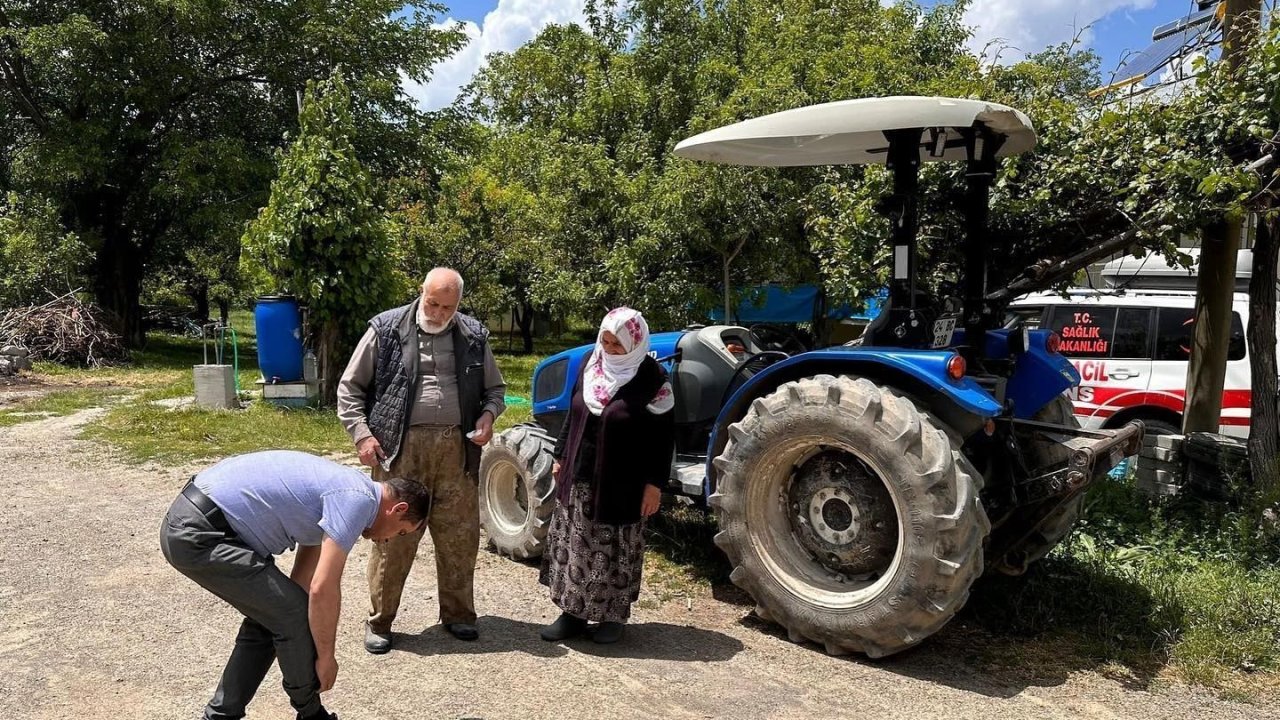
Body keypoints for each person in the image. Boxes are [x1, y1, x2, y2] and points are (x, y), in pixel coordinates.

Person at [159, 450, 430, 720]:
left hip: (196, 524)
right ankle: (310, 714)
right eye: (401, 531)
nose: (388, 540)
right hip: (201, 533)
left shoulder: (345, 489)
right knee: (291, 614)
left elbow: (302, 584)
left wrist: (300, 636)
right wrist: (325, 658)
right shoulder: (357, 501)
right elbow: (323, 588)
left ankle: (221, 716)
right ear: (398, 509)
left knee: (277, 614)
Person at [337, 267, 506, 653]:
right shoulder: (385, 328)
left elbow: (494, 389)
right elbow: (350, 388)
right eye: (433, 302)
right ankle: (380, 621)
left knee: (460, 536)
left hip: (455, 452)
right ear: (421, 293)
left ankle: (459, 615)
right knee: (392, 540)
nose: (439, 312)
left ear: (459, 304)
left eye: (448, 306)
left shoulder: (473, 335)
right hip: (400, 450)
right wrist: (362, 436)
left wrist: (488, 415)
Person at [539, 307, 676, 644]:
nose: (610, 350)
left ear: (635, 343)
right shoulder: (591, 362)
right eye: (606, 341)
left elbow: (663, 438)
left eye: (618, 345)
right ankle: (572, 613)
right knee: (577, 545)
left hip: (624, 481)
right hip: (581, 475)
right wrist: (560, 455)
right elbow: (575, 409)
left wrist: (654, 485)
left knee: (615, 549)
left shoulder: (653, 379)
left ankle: (612, 617)